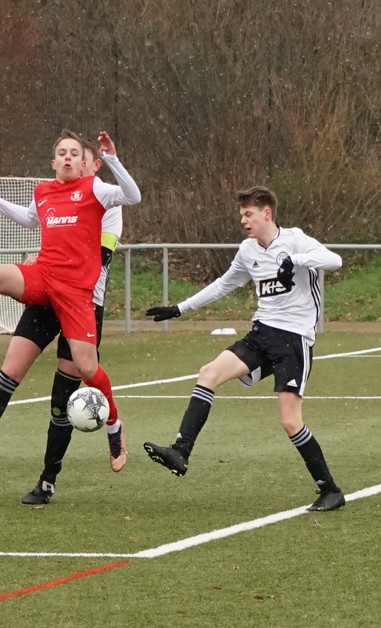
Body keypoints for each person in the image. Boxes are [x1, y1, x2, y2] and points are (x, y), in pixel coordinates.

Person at [0, 130, 140, 491]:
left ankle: (60, 470)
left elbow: (121, 215)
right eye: (63, 153)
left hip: (81, 299)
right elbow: (31, 218)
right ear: (53, 161)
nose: (70, 158)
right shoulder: (45, 191)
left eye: (76, 154)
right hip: (45, 286)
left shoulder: (100, 195)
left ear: (90, 164)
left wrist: (113, 158)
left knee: (75, 384)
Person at [142, 185, 345, 512]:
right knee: (209, 373)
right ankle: (181, 451)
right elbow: (224, 284)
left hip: (293, 340)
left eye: (248, 214)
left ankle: (330, 490)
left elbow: (334, 260)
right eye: (241, 215)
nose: (243, 220)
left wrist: (295, 260)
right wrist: (179, 308)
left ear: (267, 213)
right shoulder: (248, 250)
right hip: (261, 333)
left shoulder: (294, 239)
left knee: (290, 422)